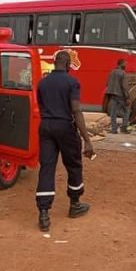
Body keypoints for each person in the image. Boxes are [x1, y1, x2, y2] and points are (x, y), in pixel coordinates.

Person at [35, 50, 94, 232]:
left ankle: (43, 213)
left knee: (47, 167)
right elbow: (76, 110)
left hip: (46, 127)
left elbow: (41, 105)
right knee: (73, 165)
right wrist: (87, 139)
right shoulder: (72, 82)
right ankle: (75, 204)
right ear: (68, 64)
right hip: (65, 127)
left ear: (54, 63)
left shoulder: (42, 83)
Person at [105, 59, 130, 134]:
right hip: (120, 95)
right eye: (125, 64)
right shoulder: (123, 73)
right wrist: (127, 97)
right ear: (121, 64)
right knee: (126, 111)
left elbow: (107, 84)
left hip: (112, 94)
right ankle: (124, 128)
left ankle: (114, 129)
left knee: (113, 113)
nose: (126, 65)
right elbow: (124, 86)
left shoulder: (112, 72)